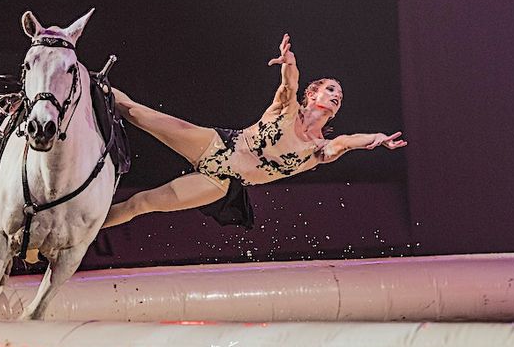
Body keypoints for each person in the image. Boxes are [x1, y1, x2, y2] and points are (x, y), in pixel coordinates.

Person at [103, 34, 407, 229]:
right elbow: (290, 84)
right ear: (312, 94)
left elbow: (345, 142)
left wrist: (375, 140)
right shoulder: (287, 110)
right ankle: (82, 80)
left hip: (220, 181)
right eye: (330, 88)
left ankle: (77, 233)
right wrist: (289, 62)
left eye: (339, 94)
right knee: (137, 113)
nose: (336, 95)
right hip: (217, 145)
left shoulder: (318, 150)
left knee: (140, 204)